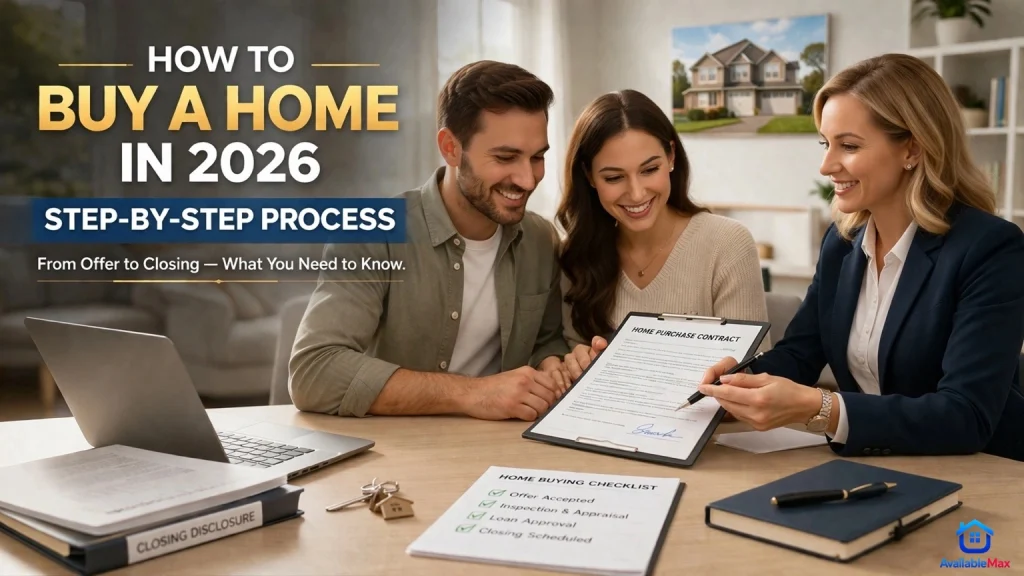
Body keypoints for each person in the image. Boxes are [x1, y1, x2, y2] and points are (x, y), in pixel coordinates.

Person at [695, 53, 1024, 461]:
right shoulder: (843, 242)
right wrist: (737, 385)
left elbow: (966, 415)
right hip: (873, 465)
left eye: (848, 145)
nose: (826, 165)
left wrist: (823, 408)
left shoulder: (990, 249)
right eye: (826, 143)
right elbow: (800, 353)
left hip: (986, 473)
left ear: (913, 150)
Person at [289, 60, 571, 421]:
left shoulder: (540, 239)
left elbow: (545, 342)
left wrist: (550, 365)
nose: (528, 180)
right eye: (505, 157)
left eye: (538, 157)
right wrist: (475, 394)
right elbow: (314, 372)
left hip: (499, 454)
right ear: (451, 148)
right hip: (392, 459)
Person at [556, 89, 770, 380]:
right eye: (614, 177)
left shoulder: (727, 244)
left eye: (649, 169)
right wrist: (575, 362)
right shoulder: (576, 255)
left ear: (671, 156)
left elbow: (751, 375)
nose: (636, 193)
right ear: (589, 176)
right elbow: (567, 357)